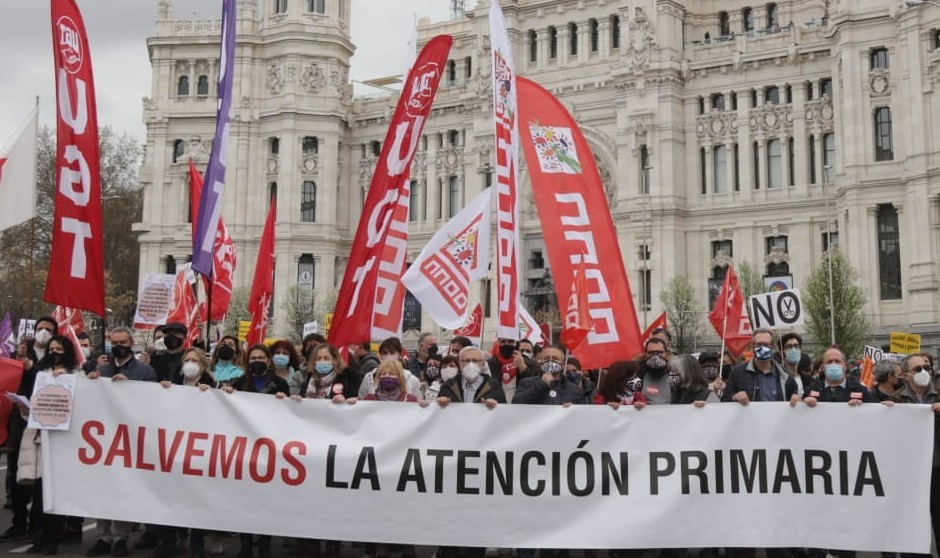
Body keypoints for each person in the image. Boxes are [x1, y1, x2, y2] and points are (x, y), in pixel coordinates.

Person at [86, 327, 158, 557]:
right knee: (102, 489)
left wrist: (130, 388)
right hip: (103, 440)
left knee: (123, 489)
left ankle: (121, 537)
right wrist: (92, 381)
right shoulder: (102, 370)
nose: (118, 346)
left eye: (123, 342)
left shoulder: (144, 371)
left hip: (129, 440)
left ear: (131, 342)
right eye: (114, 342)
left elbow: (152, 403)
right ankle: (103, 537)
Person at [221, 345, 287, 558]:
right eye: (253, 358)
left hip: (270, 450)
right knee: (245, 499)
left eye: (260, 357)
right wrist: (228, 394)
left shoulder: (280, 384)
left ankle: (265, 544)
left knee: (267, 500)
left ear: (268, 361)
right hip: (246, 450)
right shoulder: (240, 383)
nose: (256, 361)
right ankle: (246, 544)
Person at [17, 335, 79, 555]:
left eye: (59, 349)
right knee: (40, 495)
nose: (54, 352)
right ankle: (40, 537)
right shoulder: (41, 376)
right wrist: (26, 411)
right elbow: (37, 411)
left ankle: (52, 538)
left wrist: (67, 381)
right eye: (51, 349)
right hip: (41, 443)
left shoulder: (76, 376)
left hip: (63, 444)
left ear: (67, 352)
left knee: (56, 495)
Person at [155, 348, 212, 558]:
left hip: (199, 454)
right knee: (170, 501)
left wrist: (213, 394)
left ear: (203, 366)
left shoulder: (211, 387)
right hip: (174, 453)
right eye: (186, 360)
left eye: (194, 360)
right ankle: (166, 544)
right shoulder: (173, 386)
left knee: (196, 502)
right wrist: (163, 391)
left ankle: (197, 547)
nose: (189, 363)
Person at [895, 353, 940, 556]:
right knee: (911, 522)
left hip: (936, 469)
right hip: (909, 473)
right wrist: (887, 413)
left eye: (926, 367)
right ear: (906, 376)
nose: (924, 371)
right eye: (918, 369)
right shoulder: (896, 400)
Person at [723, 329, 789, 405]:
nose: (762, 348)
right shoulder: (737, 372)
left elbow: (793, 399)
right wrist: (734, 397)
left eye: (766, 344)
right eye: (759, 344)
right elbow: (725, 399)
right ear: (752, 346)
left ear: (772, 346)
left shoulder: (785, 374)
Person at [800, 347, 876, 407]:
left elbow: (872, 415)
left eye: (837, 361)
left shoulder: (860, 391)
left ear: (845, 366)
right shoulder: (810, 390)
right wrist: (802, 403)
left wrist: (862, 406)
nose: (834, 364)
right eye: (829, 362)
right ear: (823, 368)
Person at [512, 345, 585, 405]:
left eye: (555, 358)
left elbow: (581, 416)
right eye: (546, 358)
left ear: (562, 365)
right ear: (540, 363)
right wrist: (541, 384)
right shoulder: (526, 383)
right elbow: (516, 404)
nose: (550, 361)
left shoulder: (575, 390)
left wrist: (572, 410)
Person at [437, 347, 504, 407]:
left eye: (475, 361)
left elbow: (503, 412)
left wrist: (495, 405)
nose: (471, 364)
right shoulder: (448, 386)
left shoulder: (494, 386)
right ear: (460, 363)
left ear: (483, 364)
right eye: (467, 360)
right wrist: (440, 403)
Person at [487, 337, 535, 402]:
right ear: (498, 343)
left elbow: (534, 387)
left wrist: (523, 367)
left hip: (521, 406)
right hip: (498, 406)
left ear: (516, 343)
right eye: (503, 342)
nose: (506, 344)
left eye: (510, 341)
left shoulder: (530, 363)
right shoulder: (490, 364)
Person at [637, 337, 673, 405]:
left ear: (666, 354)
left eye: (659, 352)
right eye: (651, 353)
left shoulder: (676, 373)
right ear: (645, 355)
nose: (655, 356)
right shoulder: (638, 374)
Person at [779, 332, 813, 397]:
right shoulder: (778, 377)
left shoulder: (809, 379)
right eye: (789, 347)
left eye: (796, 346)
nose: (793, 349)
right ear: (782, 353)